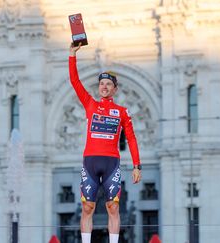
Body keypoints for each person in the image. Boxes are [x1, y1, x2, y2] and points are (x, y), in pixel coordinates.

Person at [69, 43, 142, 243]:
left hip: (111, 163)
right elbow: (75, 81)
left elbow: (132, 138)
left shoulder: (122, 112)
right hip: (90, 162)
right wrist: (72, 54)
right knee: (87, 207)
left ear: (115, 89)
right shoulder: (90, 104)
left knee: (114, 207)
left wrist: (137, 166)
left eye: (108, 84)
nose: (104, 87)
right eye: (102, 84)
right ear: (98, 87)